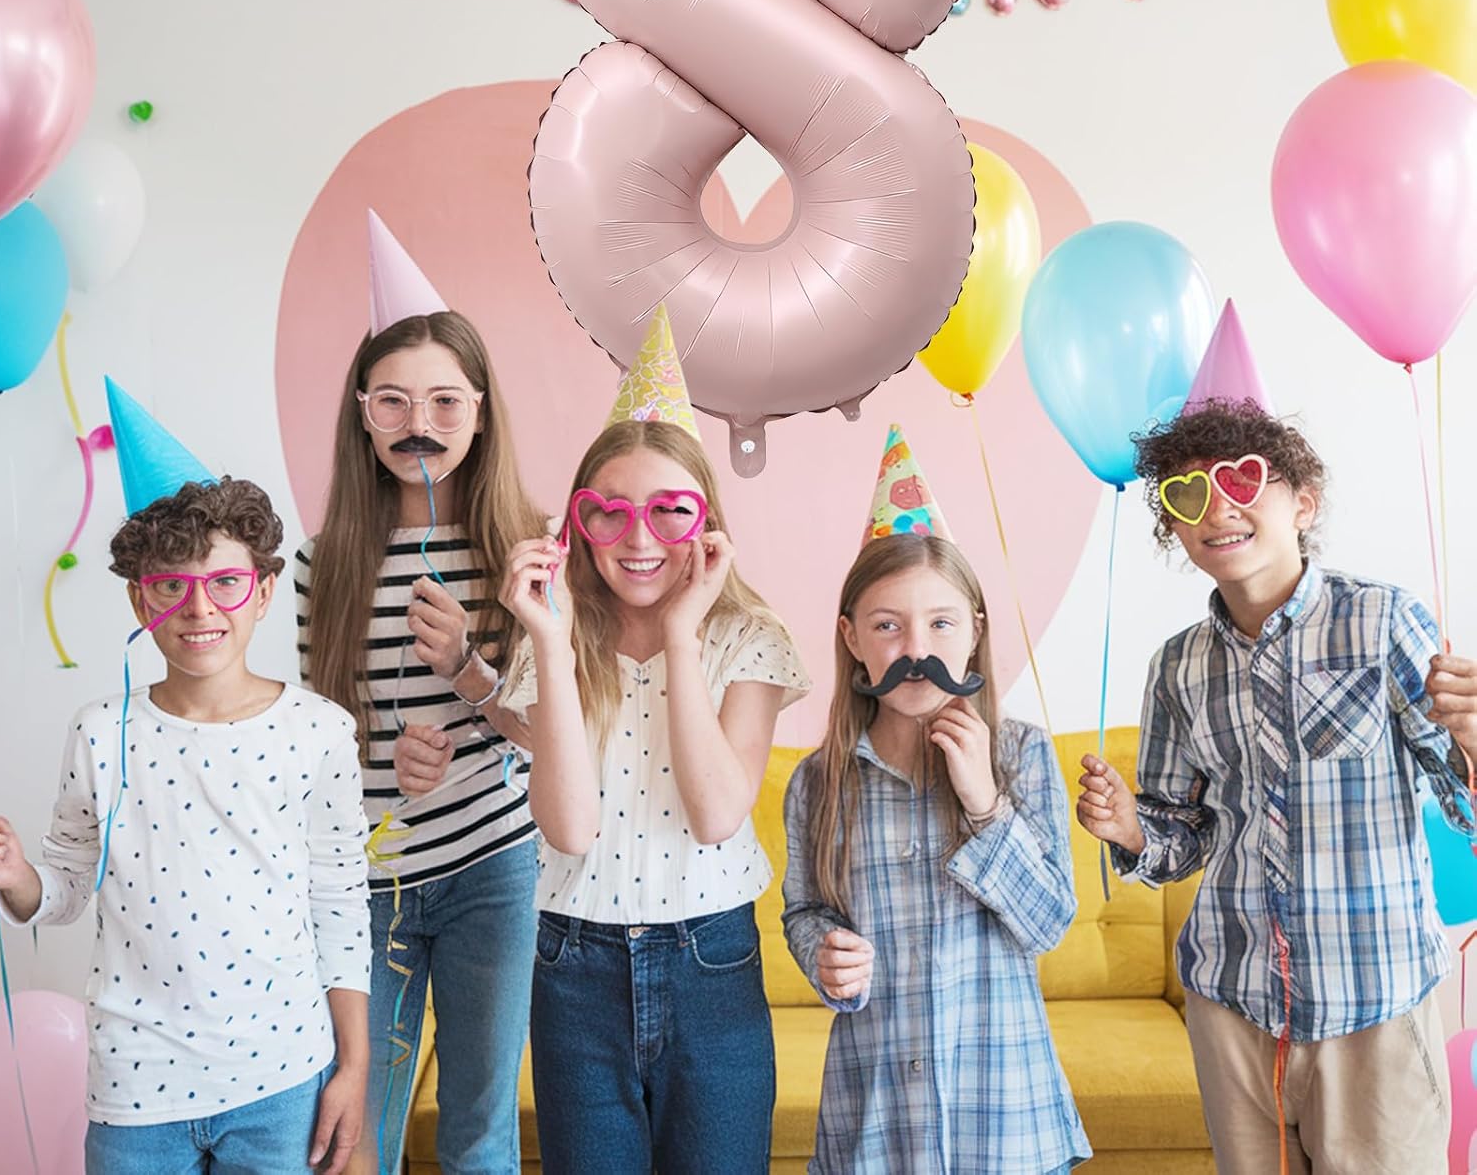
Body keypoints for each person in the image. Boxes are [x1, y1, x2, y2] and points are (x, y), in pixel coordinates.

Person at [1078, 381, 1477, 1174]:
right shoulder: (1176, 667)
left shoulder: (1381, 620)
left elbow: (1460, 803)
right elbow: (1184, 834)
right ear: (1175, 528)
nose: (1218, 508)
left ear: (1303, 503)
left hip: (1376, 1001)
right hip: (1234, 1005)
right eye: (1189, 495)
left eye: (1243, 479)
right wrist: (1131, 829)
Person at [0, 380, 369, 1175]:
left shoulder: (319, 731)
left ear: (262, 591)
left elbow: (340, 908)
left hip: (282, 1079)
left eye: (224, 582)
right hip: (136, 1090)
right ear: (139, 598)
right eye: (171, 585)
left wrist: (353, 1067)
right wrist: (18, 876)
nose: (199, 609)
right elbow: (66, 891)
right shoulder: (100, 732)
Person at [497, 305, 809, 1175]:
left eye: (669, 512)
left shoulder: (749, 640)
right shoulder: (552, 639)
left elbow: (716, 814)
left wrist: (681, 635)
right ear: (577, 526)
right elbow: (569, 828)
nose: (639, 540)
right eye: (610, 514)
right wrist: (551, 643)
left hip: (711, 962)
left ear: (705, 523)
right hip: (574, 967)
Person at [295, 212, 545, 1175]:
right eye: (393, 402)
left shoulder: (523, 548)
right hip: (369, 883)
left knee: (480, 1129)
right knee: (357, 1129)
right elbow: (319, 736)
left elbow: (552, 735)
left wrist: (470, 674)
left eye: (445, 401)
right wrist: (383, 759)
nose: (420, 425)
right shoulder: (324, 562)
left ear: (480, 411)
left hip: (494, 867)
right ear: (362, 415)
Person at [781, 425, 1089, 1174]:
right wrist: (822, 952)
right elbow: (804, 911)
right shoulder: (819, 782)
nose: (915, 650)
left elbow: (1049, 924)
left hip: (1005, 1122)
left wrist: (984, 803)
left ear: (974, 633)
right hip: (876, 1118)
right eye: (888, 626)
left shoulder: (1021, 756)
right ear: (852, 638)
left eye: (940, 623)